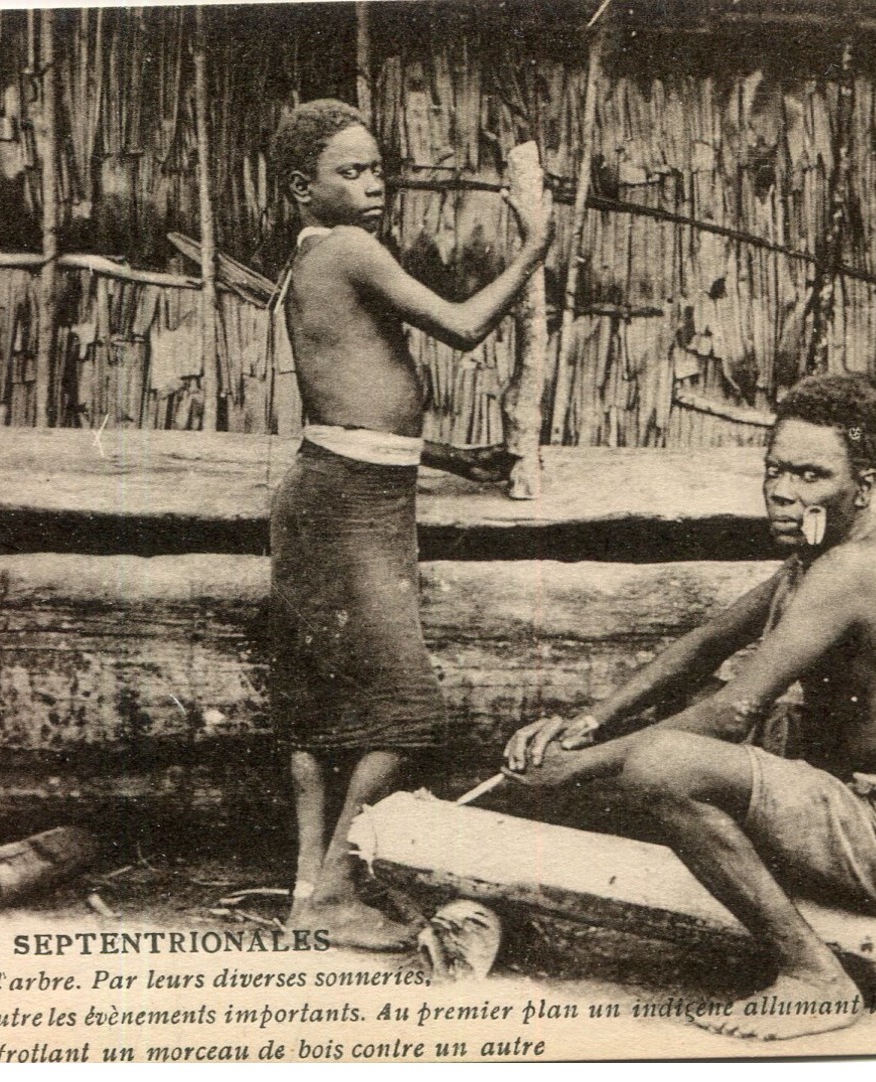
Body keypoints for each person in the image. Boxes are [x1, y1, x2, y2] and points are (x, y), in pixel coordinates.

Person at [502, 374, 876, 1040]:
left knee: (664, 764)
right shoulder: (818, 557)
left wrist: (577, 765)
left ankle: (812, 977)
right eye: (775, 469)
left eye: (811, 474)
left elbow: (735, 713)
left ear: (864, 485)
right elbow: (703, 645)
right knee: (681, 714)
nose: (783, 490)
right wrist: (588, 724)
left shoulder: (858, 567)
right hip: (870, 810)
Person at [268, 99, 551, 949]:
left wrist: (452, 459)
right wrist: (534, 242)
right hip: (351, 503)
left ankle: (306, 895)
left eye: (376, 170)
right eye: (348, 173)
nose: (372, 187)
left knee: (319, 711)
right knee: (409, 714)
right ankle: (337, 890)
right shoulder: (350, 249)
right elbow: (464, 328)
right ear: (299, 187)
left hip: (333, 486)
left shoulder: (313, 255)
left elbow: (348, 410)